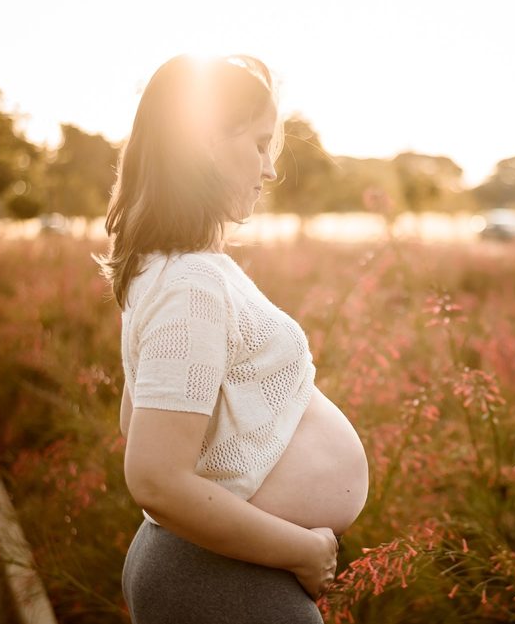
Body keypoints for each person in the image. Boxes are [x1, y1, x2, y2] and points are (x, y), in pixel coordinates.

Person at [93, 54, 370, 623]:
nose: (269, 169)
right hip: (216, 573)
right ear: (204, 146)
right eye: (260, 143)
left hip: (219, 567)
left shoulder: (179, 269)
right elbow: (155, 478)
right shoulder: (189, 283)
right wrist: (305, 549)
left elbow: (137, 421)